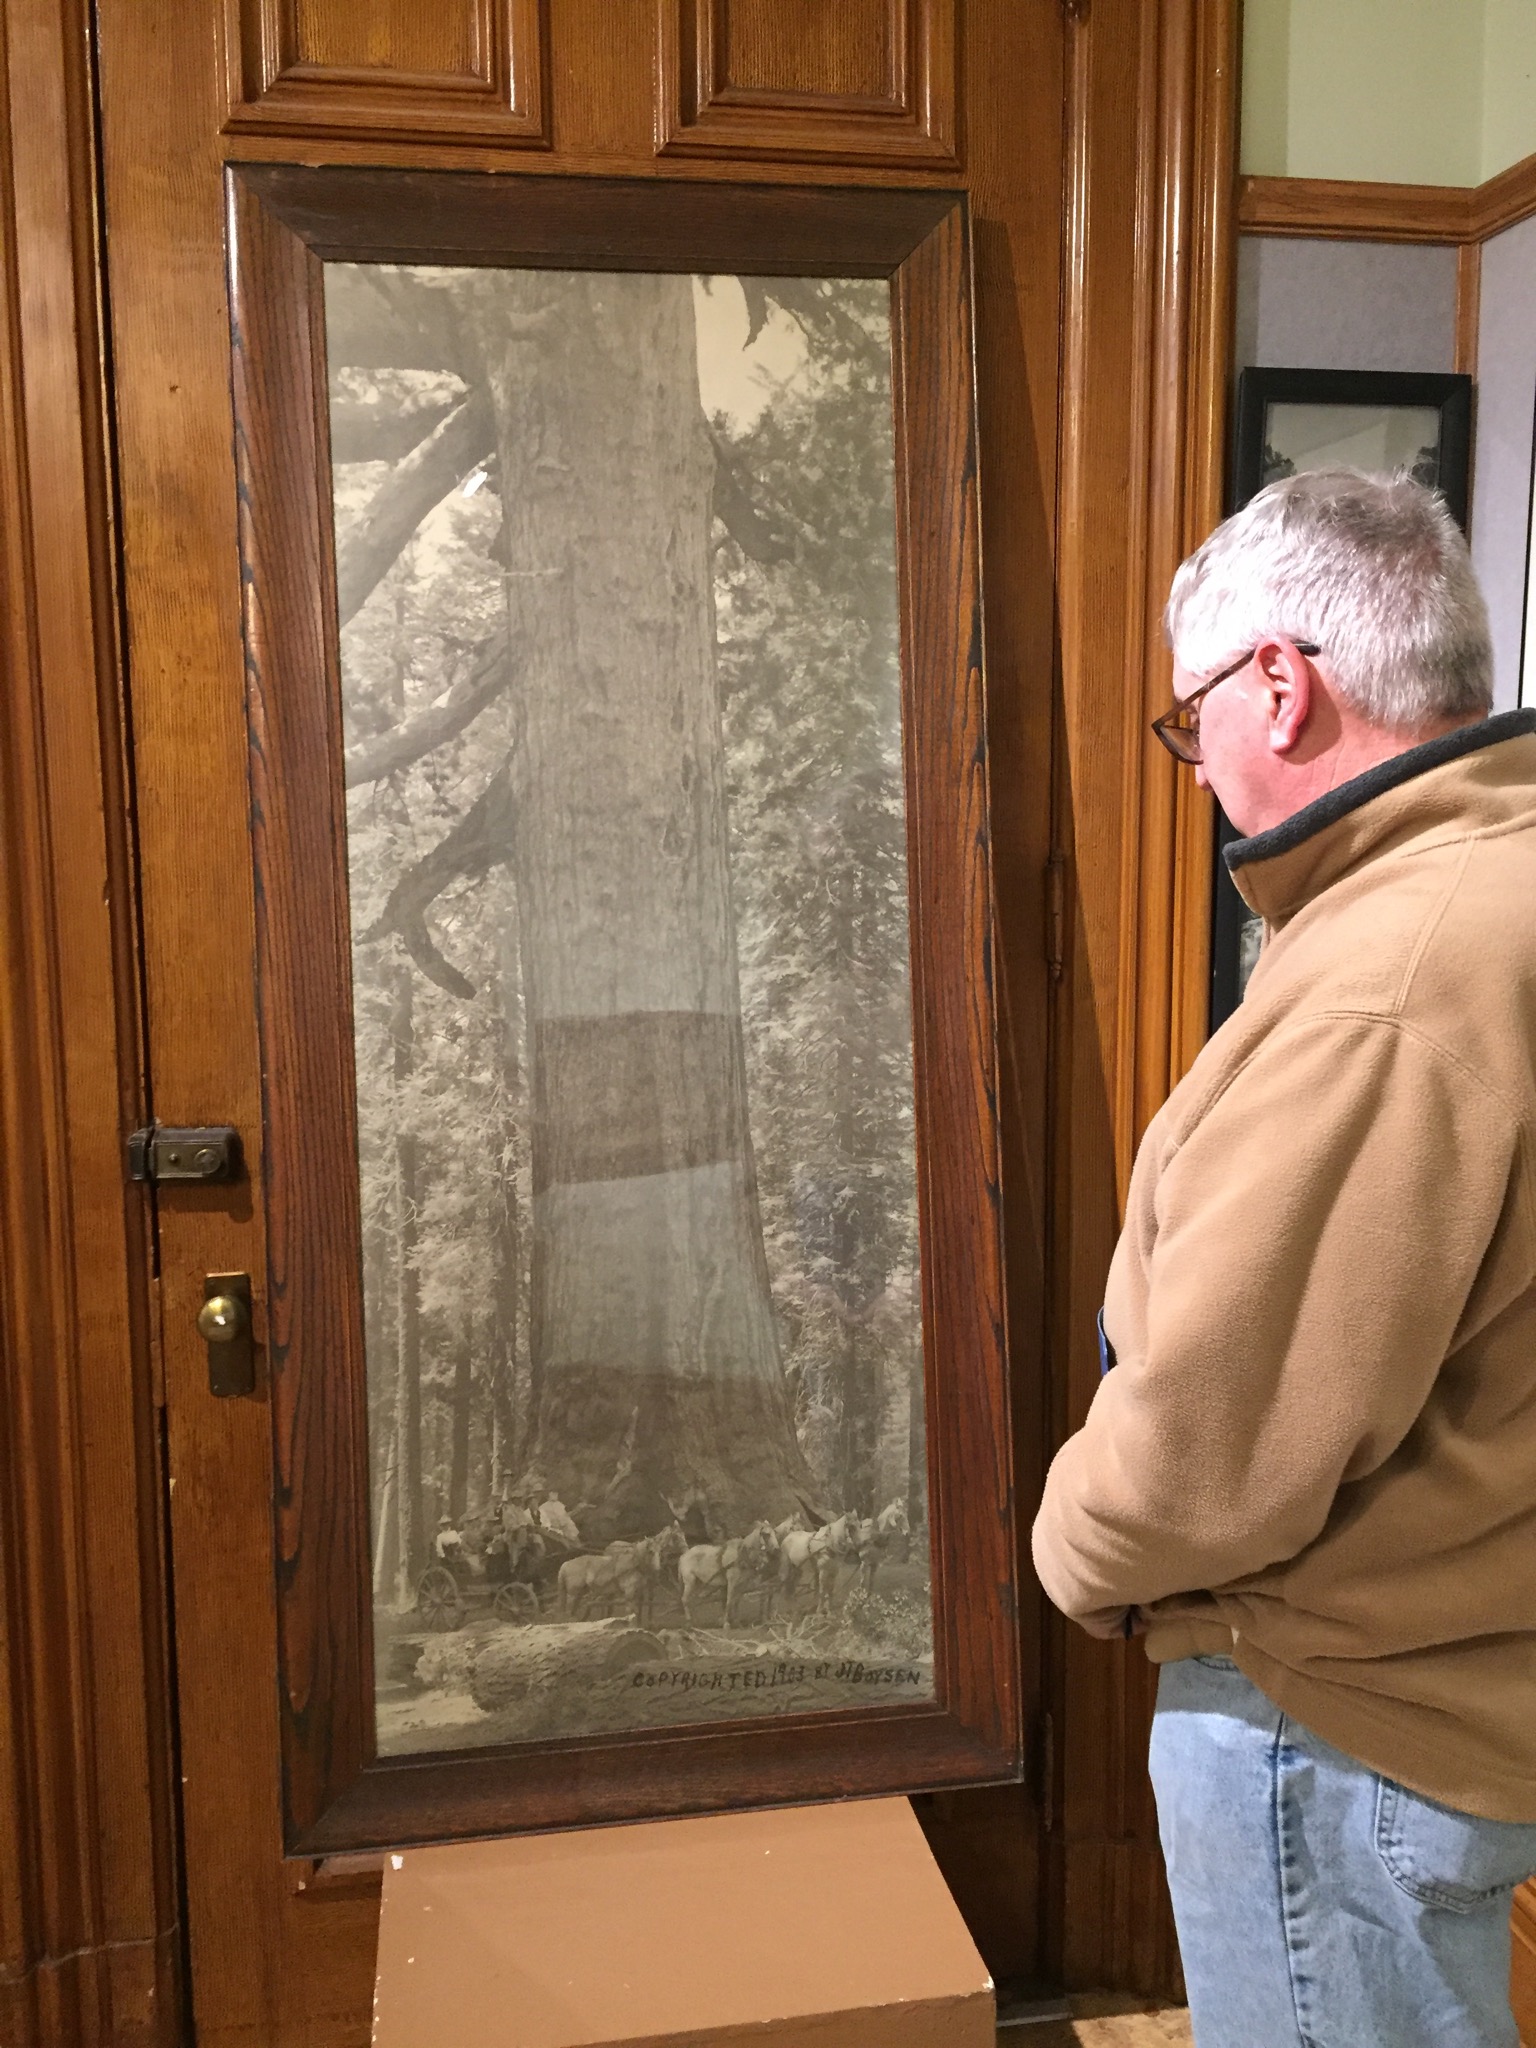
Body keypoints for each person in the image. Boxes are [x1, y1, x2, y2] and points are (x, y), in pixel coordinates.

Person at [1032, 469, 1536, 2047]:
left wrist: (1069, 1548)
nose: (1196, 770)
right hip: (1462, 1670)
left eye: (1189, 724)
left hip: (1335, 1721)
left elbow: (1215, 1450)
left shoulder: (1388, 980)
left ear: (1278, 683)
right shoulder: (1496, 894)